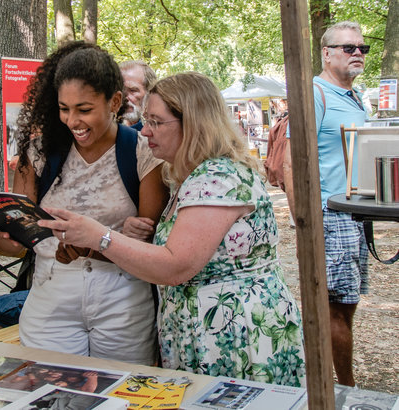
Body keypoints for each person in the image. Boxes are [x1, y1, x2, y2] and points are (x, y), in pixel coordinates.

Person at [40, 72, 306, 387]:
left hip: (237, 336)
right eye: (144, 120)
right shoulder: (190, 176)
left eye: (155, 122)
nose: (145, 131)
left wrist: (100, 237)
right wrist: (136, 235)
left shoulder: (217, 176)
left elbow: (177, 265)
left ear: (193, 123)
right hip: (210, 331)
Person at [0, 42, 168, 365]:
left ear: (115, 101)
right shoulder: (39, 154)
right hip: (52, 299)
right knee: (49, 393)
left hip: (123, 300)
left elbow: (153, 246)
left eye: (84, 109)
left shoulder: (142, 152)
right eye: (64, 108)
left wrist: (93, 243)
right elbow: (19, 247)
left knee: (123, 394)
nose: (73, 120)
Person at [282, 21, 369, 387]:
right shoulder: (313, 94)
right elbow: (289, 160)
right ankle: (342, 388)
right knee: (333, 308)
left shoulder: (354, 96)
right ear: (326, 53)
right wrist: (306, 223)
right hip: (328, 217)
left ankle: (333, 384)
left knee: (347, 307)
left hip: (355, 216)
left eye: (362, 48)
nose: (358, 54)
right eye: (349, 48)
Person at [119, 60, 156, 131]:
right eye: (121, 91)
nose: (124, 98)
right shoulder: (106, 128)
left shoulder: (159, 130)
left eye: (132, 90)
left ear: (149, 92)